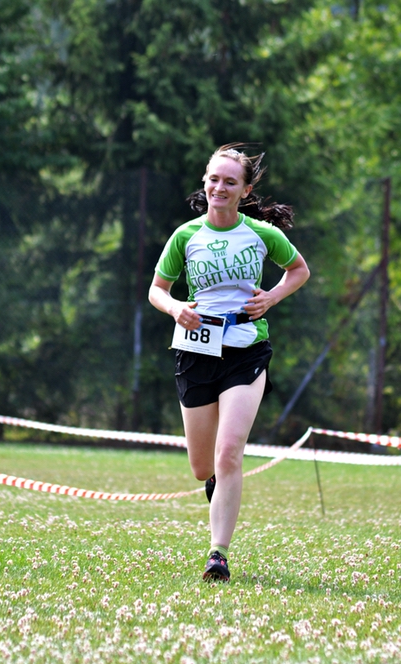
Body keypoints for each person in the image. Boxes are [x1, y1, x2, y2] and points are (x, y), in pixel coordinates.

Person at [149, 144, 310, 581]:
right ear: (205, 182)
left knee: (229, 452)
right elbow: (157, 290)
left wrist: (271, 297)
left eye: (230, 182)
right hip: (196, 350)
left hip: (246, 348)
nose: (219, 188)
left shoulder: (261, 233)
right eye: (214, 179)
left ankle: (217, 554)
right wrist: (175, 308)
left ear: (245, 190)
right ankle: (215, 483)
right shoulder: (185, 236)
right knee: (204, 467)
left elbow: (299, 270)